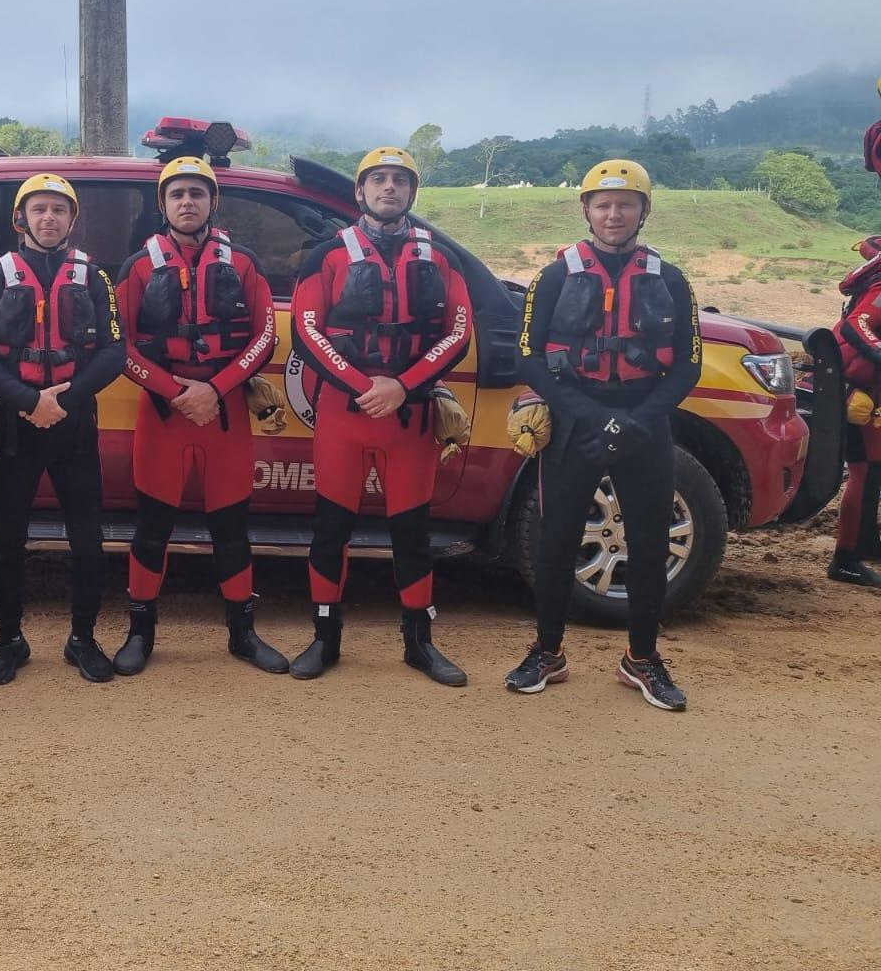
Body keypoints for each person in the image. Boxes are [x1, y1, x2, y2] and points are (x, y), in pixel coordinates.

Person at [509, 160, 701, 711]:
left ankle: (641, 659)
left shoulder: (671, 279)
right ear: (586, 210)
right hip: (576, 422)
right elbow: (529, 357)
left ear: (644, 210)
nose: (614, 214)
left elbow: (688, 364)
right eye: (603, 204)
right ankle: (547, 653)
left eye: (625, 204)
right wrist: (591, 415)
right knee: (556, 541)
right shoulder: (553, 277)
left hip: (645, 421)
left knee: (649, 544)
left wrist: (636, 420)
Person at [289, 147, 473, 685]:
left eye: (399, 180)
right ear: (360, 191)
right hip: (344, 415)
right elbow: (306, 330)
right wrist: (364, 386)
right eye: (378, 179)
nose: (389, 187)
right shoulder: (326, 256)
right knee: (331, 531)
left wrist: (404, 386)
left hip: (409, 418)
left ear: (412, 192)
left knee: (412, 534)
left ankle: (420, 644)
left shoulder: (442, 258)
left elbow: (459, 332)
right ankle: (325, 639)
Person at [111, 155, 287, 675]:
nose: (187, 202)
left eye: (197, 193)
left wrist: (215, 388)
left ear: (214, 201)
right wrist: (175, 390)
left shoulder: (244, 263)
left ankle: (243, 634)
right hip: (164, 415)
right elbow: (118, 345)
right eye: (177, 194)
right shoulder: (138, 266)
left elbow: (266, 337)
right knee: (152, 528)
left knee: (231, 528)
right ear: (162, 204)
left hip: (224, 414)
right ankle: (140, 633)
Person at [0, 173, 125, 684]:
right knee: (7, 540)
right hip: (17, 424)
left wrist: (63, 403)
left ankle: (84, 639)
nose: (49, 218)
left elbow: (114, 351)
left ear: (72, 220)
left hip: (74, 426)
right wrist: (30, 400)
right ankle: (10, 639)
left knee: (87, 540)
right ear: (21, 218)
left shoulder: (94, 278)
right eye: (39, 209)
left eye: (59, 209)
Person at [828, 234, 881, 587]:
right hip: (856, 393)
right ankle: (845, 560)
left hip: (868, 392)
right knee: (862, 472)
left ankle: (865, 544)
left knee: (873, 469)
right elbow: (857, 323)